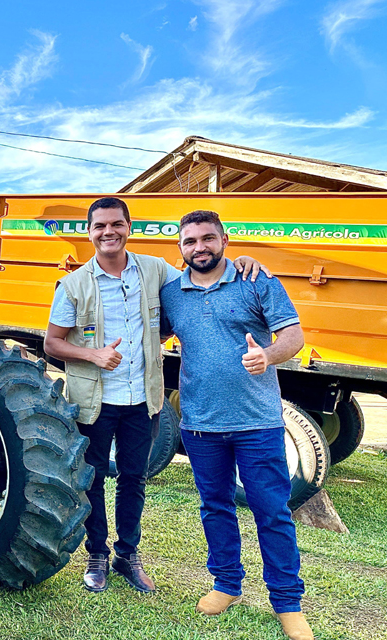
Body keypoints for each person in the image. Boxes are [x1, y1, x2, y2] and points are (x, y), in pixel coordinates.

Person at [43, 197, 268, 594]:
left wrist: (243, 260)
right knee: (92, 479)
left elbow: (202, 272)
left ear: (129, 227)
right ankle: (96, 555)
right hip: (94, 403)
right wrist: (92, 354)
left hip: (143, 401)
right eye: (100, 227)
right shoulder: (75, 284)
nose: (108, 232)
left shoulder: (155, 270)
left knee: (134, 478)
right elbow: (52, 344)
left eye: (116, 224)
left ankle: (127, 555)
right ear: (90, 232)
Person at [160, 210, 311, 640]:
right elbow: (153, 334)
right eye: (190, 241)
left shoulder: (257, 281)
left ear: (224, 240)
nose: (199, 247)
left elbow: (293, 336)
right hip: (200, 424)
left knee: (272, 513)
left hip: (257, 424)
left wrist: (268, 355)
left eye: (208, 238)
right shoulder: (173, 293)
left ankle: (287, 603)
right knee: (215, 507)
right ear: (181, 249)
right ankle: (227, 584)